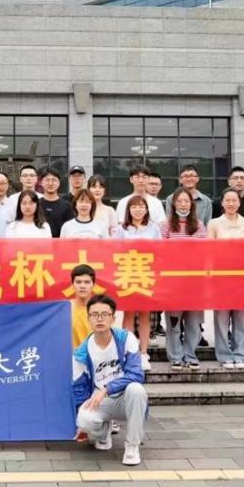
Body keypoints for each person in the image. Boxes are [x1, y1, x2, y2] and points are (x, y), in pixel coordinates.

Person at [72, 294, 147, 466]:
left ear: (113, 318)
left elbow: (136, 374)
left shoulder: (126, 339)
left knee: (137, 389)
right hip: (100, 401)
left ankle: (132, 446)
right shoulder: (81, 353)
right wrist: (80, 422)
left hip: (125, 397)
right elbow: (78, 388)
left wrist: (107, 388)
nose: (99, 319)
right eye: (94, 314)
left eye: (105, 314)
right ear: (88, 319)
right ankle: (103, 433)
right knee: (83, 419)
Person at [207, 188, 244, 369]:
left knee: (241, 318)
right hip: (221, 277)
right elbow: (209, 251)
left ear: (239, 203)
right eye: (227, 200)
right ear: (222, 202)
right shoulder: (214, 223)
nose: (231, 203)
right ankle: (224, 354)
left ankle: (239, 353)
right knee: (221, 318)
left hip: (242, 277)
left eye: (234, 200)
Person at [160, 187, 208, 370]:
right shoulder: (165, 226)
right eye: (179, 201)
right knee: (173, 322)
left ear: (191, 204)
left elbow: (203, 251)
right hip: (173, 282)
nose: (183, 204)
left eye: (186, 201)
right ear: (173, 204)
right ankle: (175, 356)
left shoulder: (199, 225)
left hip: (195, 282)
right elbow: (160, 251)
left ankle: (190, 355)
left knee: (193, 323)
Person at [214, 167, 244, 339]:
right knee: (223, 308)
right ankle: (224, 336)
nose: (239, 181)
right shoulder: (216, 211)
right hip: (222, 270)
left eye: (242, 177)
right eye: (235, 177)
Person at [118, 195, 162, 369]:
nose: (138, 210)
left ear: (146, 209)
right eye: (134, 206)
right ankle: (128, 352)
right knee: (128, 314)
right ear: (128, 210)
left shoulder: (153, 228)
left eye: (141, 206)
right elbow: (114, 250)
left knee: (145, 314)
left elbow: (160, 250)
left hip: (146, 274)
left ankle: (143, 352)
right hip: (127, 274)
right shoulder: (121, 229)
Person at [39, 168, 75, 237]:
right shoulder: (35, 204)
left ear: (59, 183)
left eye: (54, 180)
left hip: (61, 242)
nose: (50, 183)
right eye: (47, 180)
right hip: (40, 242)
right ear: (41, 183)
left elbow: (71, 229)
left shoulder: (67, 206)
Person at [69, 264, 97, 348]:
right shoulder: (65, 309)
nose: (82, 286)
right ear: (72, 284)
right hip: (71, 355)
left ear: (93, 284)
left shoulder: (101, 310)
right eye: (78, 282)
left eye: (87, 282)